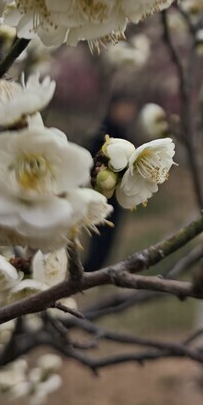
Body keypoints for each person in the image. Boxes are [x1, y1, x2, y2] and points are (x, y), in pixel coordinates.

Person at [82, 93, 138, 271]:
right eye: (125, 108)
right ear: (114, 107)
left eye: (131, 109)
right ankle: (91, 269)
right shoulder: (103, 132)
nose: (129, 113)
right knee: (99, 235)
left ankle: (98, 268)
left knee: (109, 237)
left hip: (117, 194)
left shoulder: (124, 132)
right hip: (102, 194)